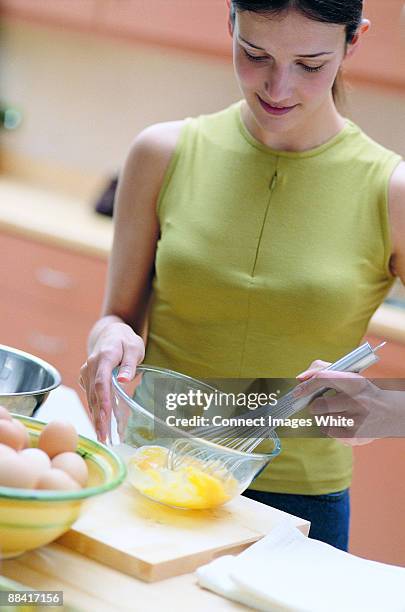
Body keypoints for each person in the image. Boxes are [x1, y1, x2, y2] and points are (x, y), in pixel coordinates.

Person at [80, 0, 405, 551]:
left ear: (354, 42)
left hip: (298, 509)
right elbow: (117, 316)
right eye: (255, 55)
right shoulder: (162, 153)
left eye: (310, 64)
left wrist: (384, 408)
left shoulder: (391, 191)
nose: (278, 87)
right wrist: (108, 335)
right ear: (230, 23)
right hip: (152, 473)